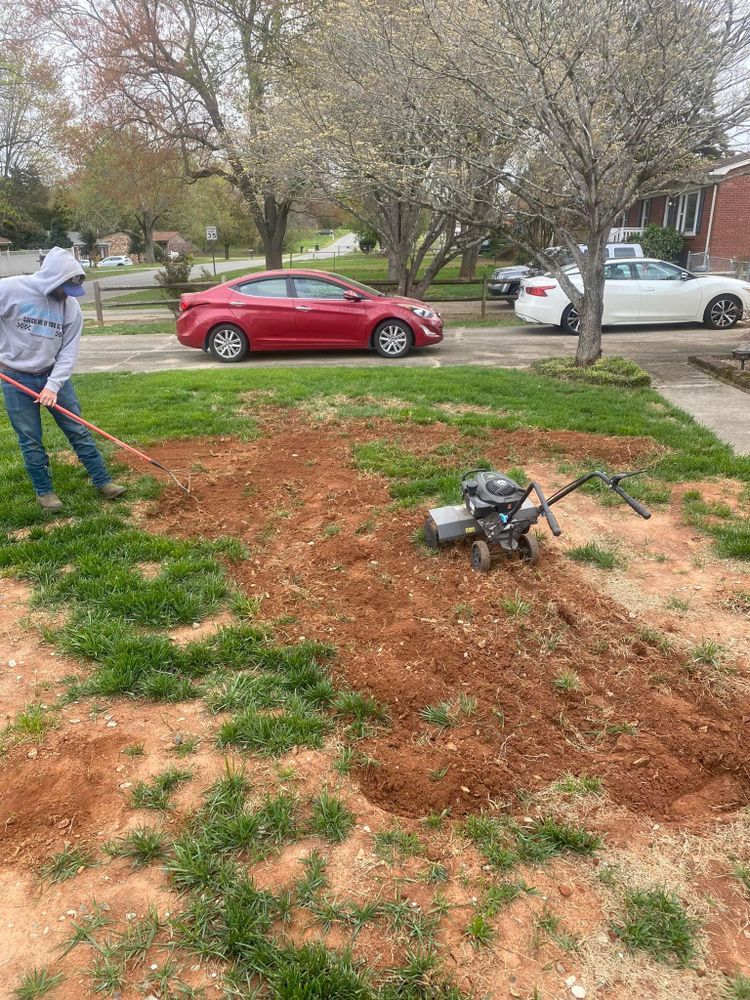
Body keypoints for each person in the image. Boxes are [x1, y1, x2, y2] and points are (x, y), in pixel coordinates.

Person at [0, 246, 127, 511]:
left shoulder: (71, 308)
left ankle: (103, 482)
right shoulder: (9, 290)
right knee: (30, 438)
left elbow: (68, 352)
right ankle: (45, 493)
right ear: (52, 279)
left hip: (52, 374)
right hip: (15, 378)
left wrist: (53, 385)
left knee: (78, 430)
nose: (67, 296)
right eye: (64, 288)